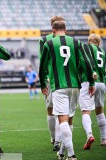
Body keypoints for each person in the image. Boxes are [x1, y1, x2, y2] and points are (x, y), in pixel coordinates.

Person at [39, 21, 96, 160]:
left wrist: (42, 84)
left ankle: (71, 155)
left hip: (59, 87)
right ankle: (62, 152)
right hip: (75, 86)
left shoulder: (49, 44)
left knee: (63, 120)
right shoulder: (77, 43)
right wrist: (92, 82)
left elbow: (42, 67)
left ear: (53, 30)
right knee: (69, 119)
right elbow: (86, 63)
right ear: (66, 29)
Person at [38, 16, 65, 151]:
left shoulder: (44, 40)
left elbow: (42, 61)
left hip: (50, 79)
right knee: (62, 111)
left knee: (50, 109)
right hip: (65, 80)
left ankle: (54, 138)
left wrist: (44, 79)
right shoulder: (68, 41)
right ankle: (59, 140)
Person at [79, 33, 106, 150]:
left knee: (86, 111)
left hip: (88, 82)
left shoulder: (86, 48)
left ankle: (89, 134)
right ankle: (104, 138)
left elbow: (82, 64)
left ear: (89, 41)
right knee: (100, 111)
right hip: (101, 82)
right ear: (98, 42)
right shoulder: (102, 51)